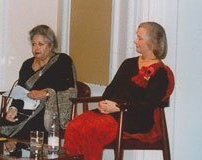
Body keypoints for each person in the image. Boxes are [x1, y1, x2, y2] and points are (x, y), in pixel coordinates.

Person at [64, 22, 174, 160]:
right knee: (75, 125)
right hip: (112, 112)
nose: (135, 41)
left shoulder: (160, 72)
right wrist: (104, 103)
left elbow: (148, 104)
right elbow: (111, 88)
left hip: (135, 118)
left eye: (140, 38)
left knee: (91, 129)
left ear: (152, 43)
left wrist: (118, 108)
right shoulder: (128, 63)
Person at [0, 25, 77, 142]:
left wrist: (45, 94)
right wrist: (13, 109)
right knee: (5, 123)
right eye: (33, 44)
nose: (36, 48)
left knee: (33, 124)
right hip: (25, 109)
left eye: (40, 44)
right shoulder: (27, 64)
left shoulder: (62, 61)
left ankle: (19, 149)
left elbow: (67, 89)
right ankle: (11, 152)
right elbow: (21, 90)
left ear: (51, 46)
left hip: (48, 111)